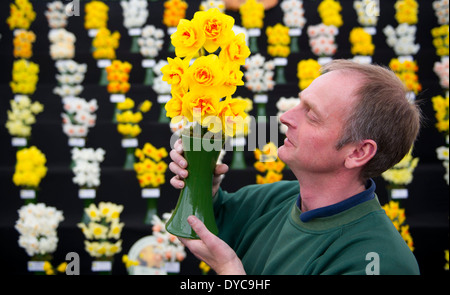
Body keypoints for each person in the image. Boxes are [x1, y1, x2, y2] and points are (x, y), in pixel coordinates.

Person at [168, 59, 422, 275]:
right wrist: (201, 184)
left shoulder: (378, 260)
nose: (286, 118)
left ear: (358, 152)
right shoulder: (275, 198)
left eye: (311, 114)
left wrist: (230, 269)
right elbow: (207, 221)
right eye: (300, 103)